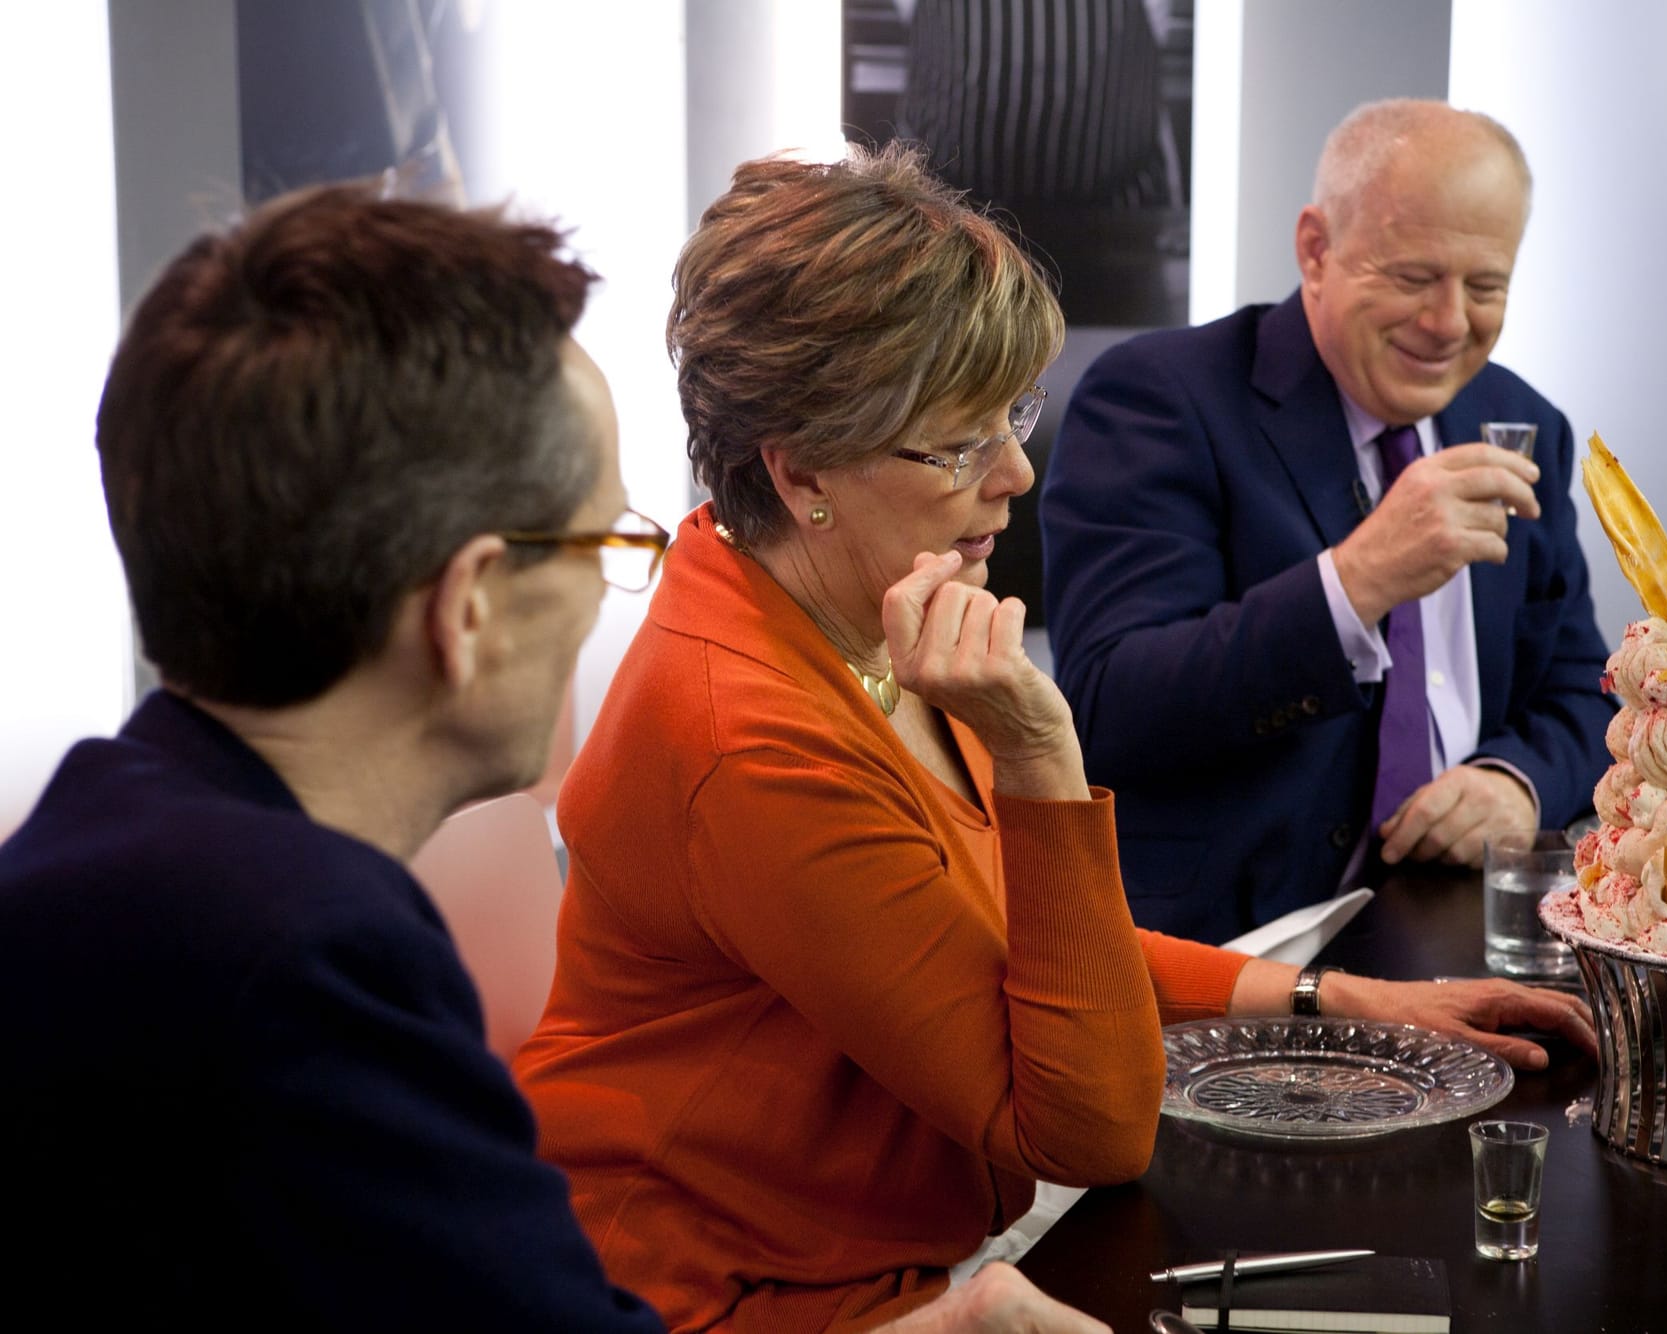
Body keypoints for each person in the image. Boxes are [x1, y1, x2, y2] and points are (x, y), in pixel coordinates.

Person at [513, 144, 1595, 1332]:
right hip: (713, 1294)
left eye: (1013, 417)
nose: (1016, 473)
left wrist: (1338, 998)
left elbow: (1019, 949)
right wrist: (1041, 760)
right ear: (801, 468)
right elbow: (1089, 1127)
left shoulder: (860, 614)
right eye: (959, 443)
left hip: (870, 1255)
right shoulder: (751, 737)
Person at [0, 182, 1099, 1333]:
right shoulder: (305, 972)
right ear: (470, 603)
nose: (612, 592)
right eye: (605, 539)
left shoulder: (126, 853)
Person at [1040, 99, 1618, 944]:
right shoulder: (1159, 396)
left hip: (1450, 928)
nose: (1449, 322)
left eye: (1485, 286)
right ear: (1316, 249)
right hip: (1228, 947)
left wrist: (1516, 782)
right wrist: (1356, 581)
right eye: (1413, 278)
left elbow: (1587, 691)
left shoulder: (1523, 422)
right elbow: (1108, 705)